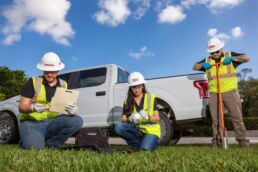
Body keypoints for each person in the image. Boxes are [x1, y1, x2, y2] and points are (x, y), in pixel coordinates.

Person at [193, 37, 250, 148]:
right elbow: (194, 66)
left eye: (217, 52)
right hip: (214, 94)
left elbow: (246, 58)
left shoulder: (229, 55)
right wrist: (202, 66)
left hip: (230, 92)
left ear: (221, 48)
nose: (215, 54)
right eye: (212, 53)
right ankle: (218, 143)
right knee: (216, 121)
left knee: (237, 118)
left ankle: (243, 143)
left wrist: (233, 59)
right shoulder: (207, 61)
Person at [19, 52, 83, 149]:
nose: (49, 74)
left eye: (52, 71)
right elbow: (21, 107)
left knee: (77, 120)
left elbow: (65, 106)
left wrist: (73, 111)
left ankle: (52, 145)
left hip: (52, 122)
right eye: (46, 71)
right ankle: (27, 139)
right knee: (34, 149)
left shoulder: (63, 84)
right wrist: (32, 107)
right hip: (32, 123)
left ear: (58, 70)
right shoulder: (33, 82)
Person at [115, 72, 161, 151]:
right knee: (118, 127)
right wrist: (129, 118)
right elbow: (123, 119)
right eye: (134, 87)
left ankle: (146, 144)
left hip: (151, 131)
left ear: (143, 86)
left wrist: (147, 117)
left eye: (139, 87)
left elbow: (157, 118)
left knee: (144, 150)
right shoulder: (127, 101)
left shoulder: (151, 98)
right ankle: (138, 145)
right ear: (130, 88)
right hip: (137, 131)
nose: (136, 90)